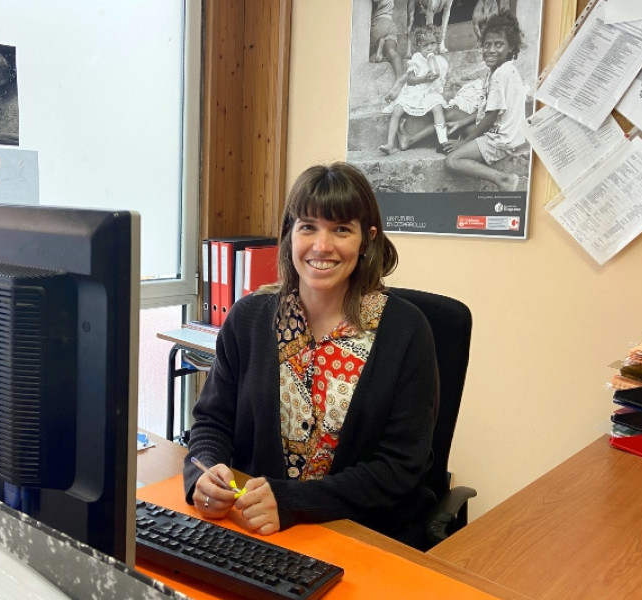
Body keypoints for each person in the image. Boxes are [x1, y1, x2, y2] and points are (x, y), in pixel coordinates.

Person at [183, 162, 439, 550]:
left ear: (367, 239)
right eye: (308, 227)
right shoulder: (250, 318)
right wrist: (202, 473)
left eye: (341, 229)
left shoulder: (405, 331)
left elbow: (401, 466)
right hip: (256, 533)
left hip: (359, 534)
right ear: (289, 235)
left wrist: (293, 502)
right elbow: (212, 421)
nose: (322, 246)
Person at [442, 11, 526, 191]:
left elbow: (490, 117)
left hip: (500, 139)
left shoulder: (501, 75)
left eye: (499, 45)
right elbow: (486, 109)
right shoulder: (498, 70)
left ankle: (503, 180)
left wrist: (463, 143)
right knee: (455, 116)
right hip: (503, 131)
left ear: (511, 47)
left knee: (452, 160)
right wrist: (461, 122)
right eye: (487, 45)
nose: (491, 50)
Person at [378, 26, 450, 155]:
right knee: (397, 109)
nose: (430, 48)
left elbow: (440, 81)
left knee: (437, 107)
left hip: (430, 93)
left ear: (438, 43)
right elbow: (410, 80)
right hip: (414, 91)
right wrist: (424, 78)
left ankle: (443, 141)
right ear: (418, 46)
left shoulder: (441, 61)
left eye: (433, 43)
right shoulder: (416, 59)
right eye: (425, 45)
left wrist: (436, 79)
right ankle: (390, 143)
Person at [396, 79, 485, 151]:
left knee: (451, 113)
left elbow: (486, 113)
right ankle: (411, 139)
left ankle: (411, 139)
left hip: (486, 132)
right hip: (480, 124)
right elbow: (482, 108)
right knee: (449, 112)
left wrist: (460, 123)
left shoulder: (496, 84)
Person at [370, 0, 404, 83]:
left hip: (379, 23)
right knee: (391, 51)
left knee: (366, 52)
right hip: (391, 24)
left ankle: (378, 51)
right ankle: (400, 76)